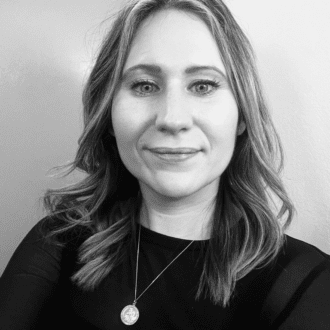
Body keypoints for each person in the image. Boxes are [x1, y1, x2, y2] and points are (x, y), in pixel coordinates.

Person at [1, 0, 329, 329]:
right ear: (109, 115)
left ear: (243, 115)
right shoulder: (58, 242)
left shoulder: (303, 282)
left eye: (203, 86)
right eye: (144, 85)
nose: (172, 119)